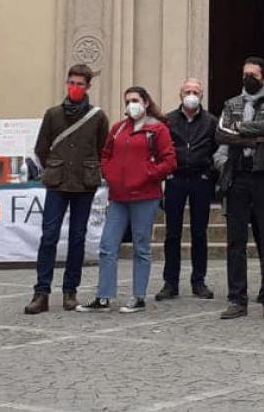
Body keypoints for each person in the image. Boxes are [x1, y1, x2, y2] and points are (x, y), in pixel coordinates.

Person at [82, 87, 178, 313]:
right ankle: (104, 296)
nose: (131, 105)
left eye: (135, 100)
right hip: (118, 196)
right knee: (107, 246)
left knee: (141, 247)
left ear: (145, 102)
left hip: (145, 196)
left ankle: (138, 296)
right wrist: (110, 173)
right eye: (127, 101)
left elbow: (170, 161)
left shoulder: (158, 129)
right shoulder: (117, 129)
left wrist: (147, 174)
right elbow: (105, 155)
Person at [26, 64, 109, 315]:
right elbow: (42, 147)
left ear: (88, 87)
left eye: (79, 84)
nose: (74, 88)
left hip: (84, 183)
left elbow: (102, 149)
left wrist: (91, 168)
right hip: (58, 181)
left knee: (78, 238)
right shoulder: (52, 114)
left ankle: (70, 291)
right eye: (71, 83)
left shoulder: (98, 117)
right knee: (49, 235)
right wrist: (54, 166)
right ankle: (41, 292)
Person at [214, 56, 264, 321]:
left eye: (253, 75)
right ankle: (237, 299)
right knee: (236, 241)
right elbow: (221, 133)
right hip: (237, 176)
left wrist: (240, 129)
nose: (248, 78)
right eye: (245, 73)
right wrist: (255, 135)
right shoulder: (231, 104)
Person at [159, 78, 217, 301]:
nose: (191, 94)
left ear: (201, 95)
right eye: (187, 91)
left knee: (199, 232)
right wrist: (167, 171)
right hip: (175, 179)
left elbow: (218, 149)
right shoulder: (169, 120)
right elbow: (161, 148)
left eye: (195, 91)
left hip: (200, 180)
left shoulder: (211, 121)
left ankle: (198, 281)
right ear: (180, 95)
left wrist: (209, 172)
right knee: (172, 233)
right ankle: (170, 282)